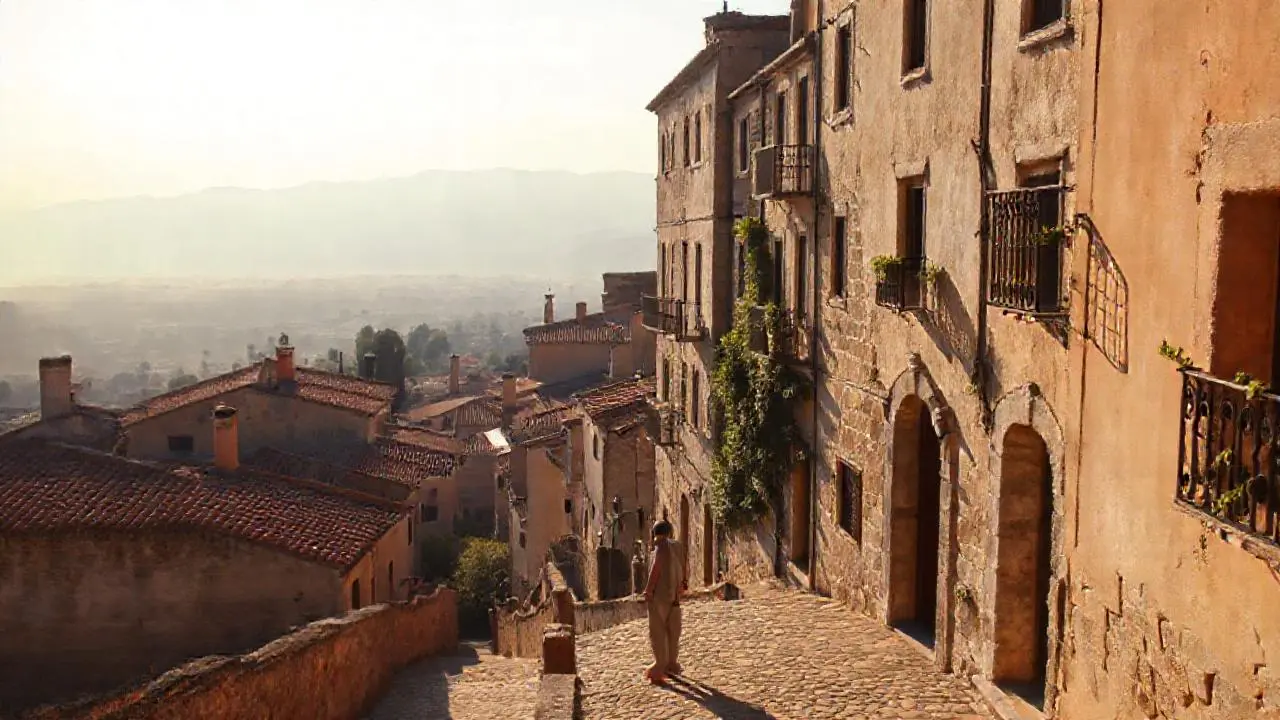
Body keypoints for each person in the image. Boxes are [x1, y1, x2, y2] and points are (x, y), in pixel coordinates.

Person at [643, 520, 687, 684]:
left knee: (658, 631)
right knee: (673, 631)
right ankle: (672, 663)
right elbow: (684, 568)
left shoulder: (661, 547)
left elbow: (656, 568)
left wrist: (648, 590)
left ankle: (659, 666)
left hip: (660, 596)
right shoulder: (678, 547)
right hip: (675, 596)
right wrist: (683, 584)